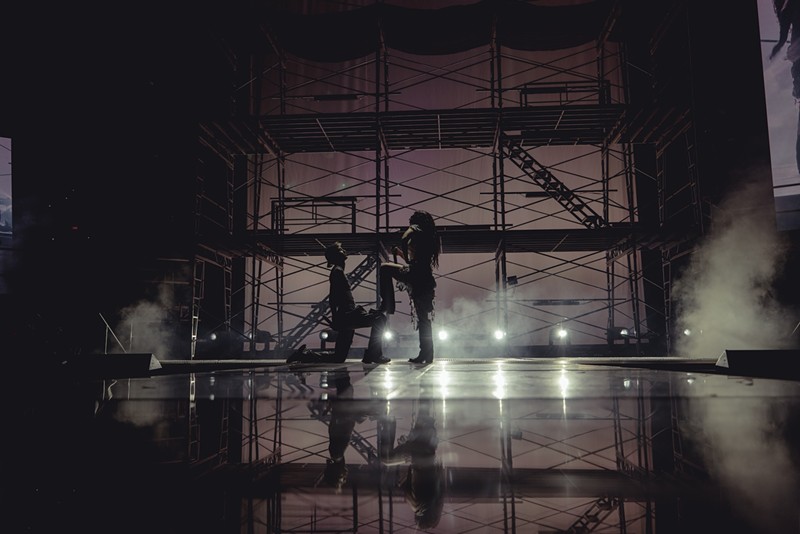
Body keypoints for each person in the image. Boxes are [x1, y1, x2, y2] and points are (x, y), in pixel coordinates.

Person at [288, 242, 390, 364]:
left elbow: (334, 297)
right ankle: (373, 355)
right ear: (336, 256)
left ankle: (304, 355)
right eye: (340, 250)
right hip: (347, 315)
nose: (344, 251)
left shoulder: (338, 271)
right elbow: (333, 297)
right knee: (380, 319)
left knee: (338, 358)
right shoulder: (337, 272)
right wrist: (336, 318)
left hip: (346, 315)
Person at [379, 210, 441, 365]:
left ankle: (387, 304)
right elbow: (413, 258)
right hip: (425, 279)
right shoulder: (429, 237)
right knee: (424, 319)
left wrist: (405, 244)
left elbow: (404, 237)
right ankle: (427, 354)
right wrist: (401, 253)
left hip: (416, 276)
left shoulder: (415, 230)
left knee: (385, 268)